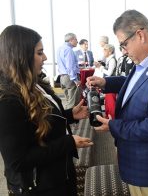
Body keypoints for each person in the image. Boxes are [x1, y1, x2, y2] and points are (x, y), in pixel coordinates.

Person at [86, 10, 148, 196]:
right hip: (136, 154)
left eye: (124, 44)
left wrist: (114, 126)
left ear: (140, 35)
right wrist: (107, 82)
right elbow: (139, 85)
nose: (123, 51)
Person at [0, 25, 93, 196]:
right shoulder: (7, 100)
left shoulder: (36, 83)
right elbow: (18, 161)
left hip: (59, 174)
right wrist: (68, 142)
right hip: (39, 186)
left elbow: (38, 120)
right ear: (21, 56)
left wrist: (69, 114)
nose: (45, 57)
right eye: (39, 53)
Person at [57, 33, 81, 109]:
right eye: (76, 39)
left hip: (62, 77)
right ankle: (72, 120)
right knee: (73, 102)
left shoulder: (60, 48)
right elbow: (70, 66)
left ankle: (67, 119)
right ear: (71, 40)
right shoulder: (68, 50)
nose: (77, 41)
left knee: (68, 101)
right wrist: (75, 79)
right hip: (69, 78)